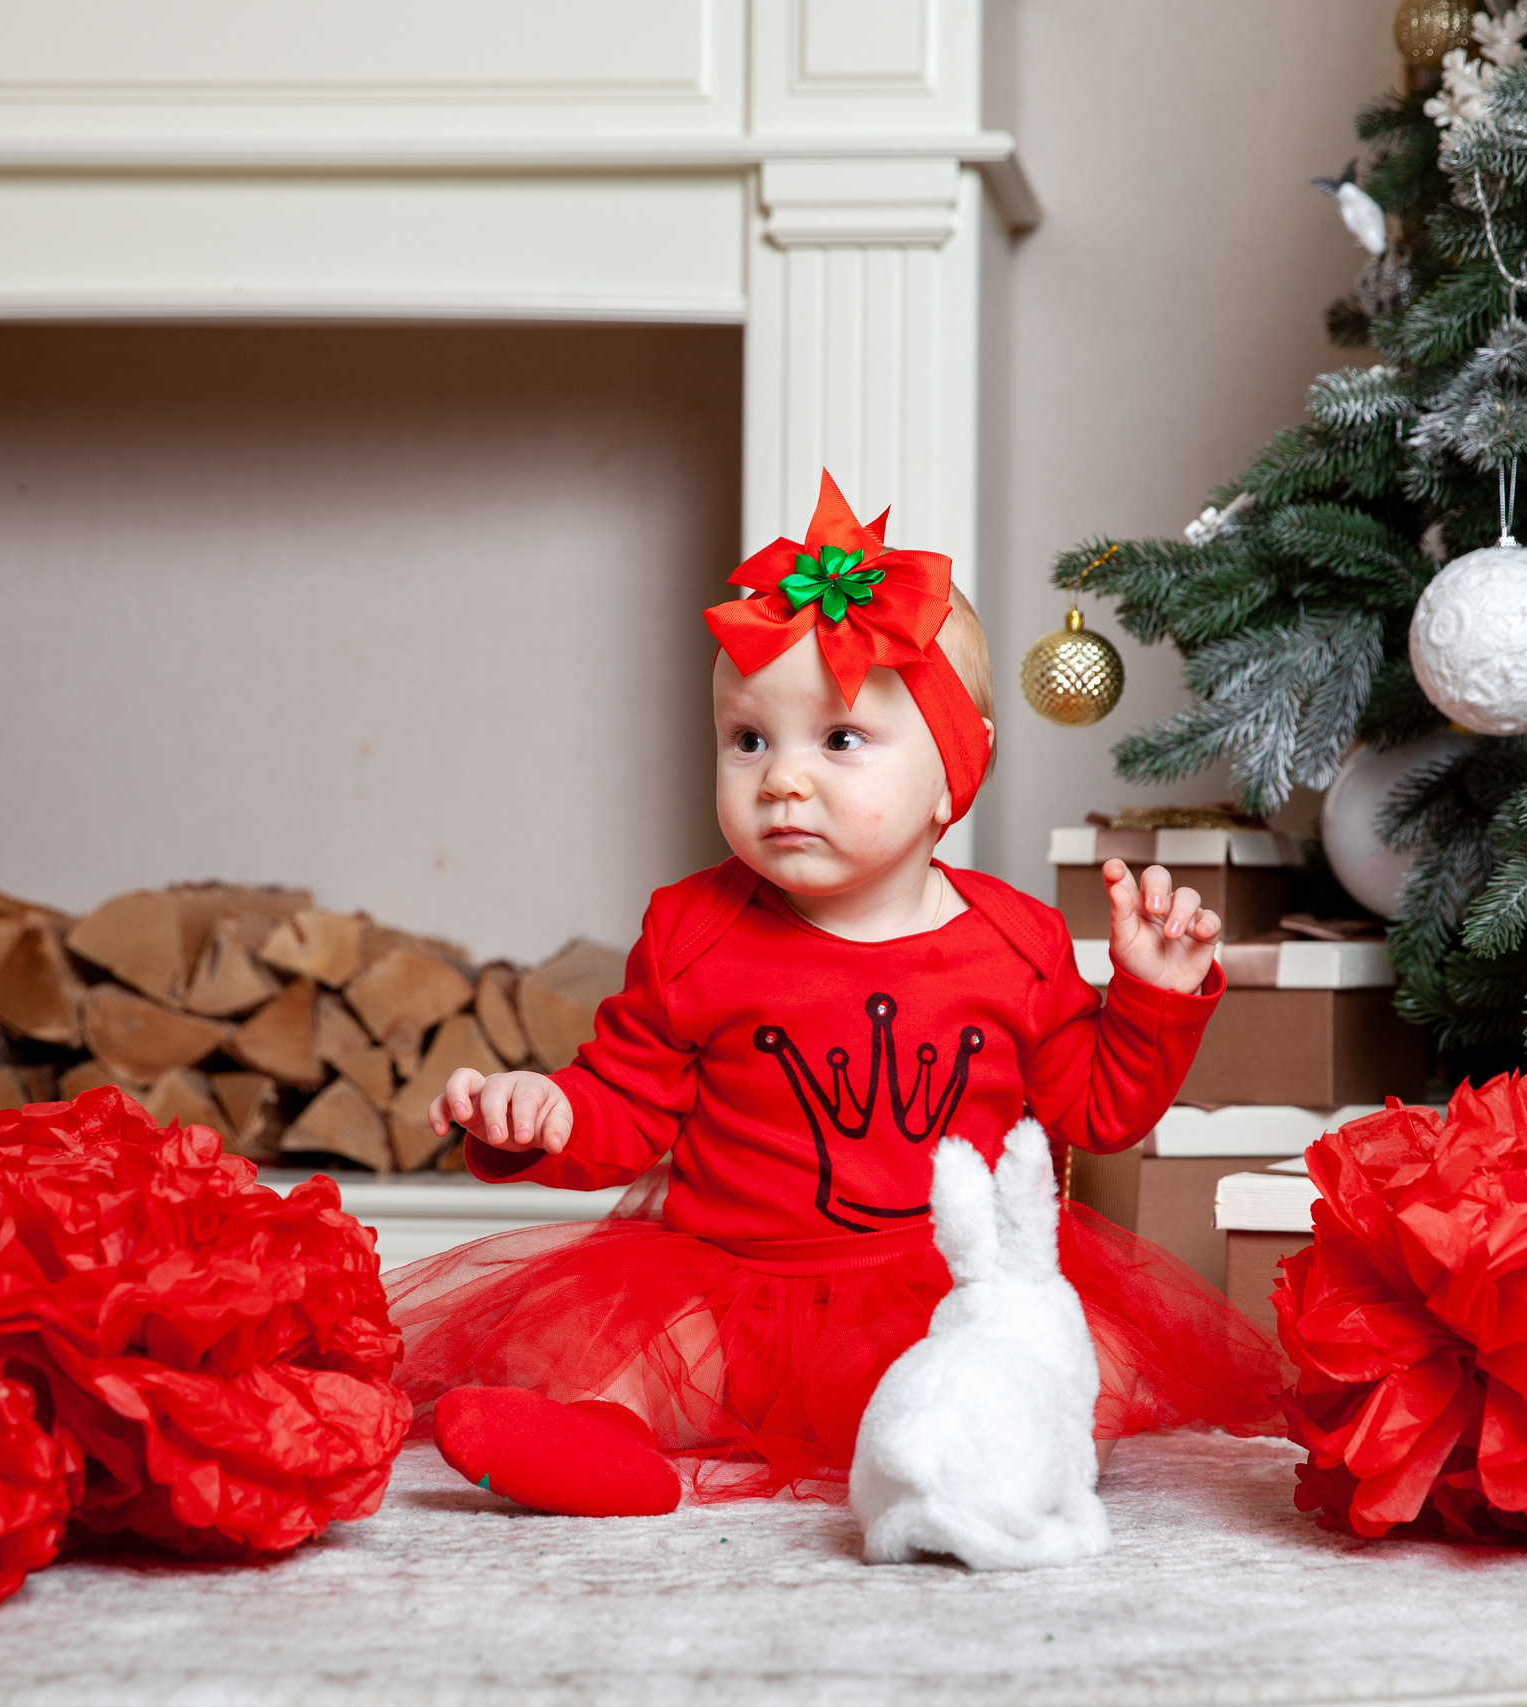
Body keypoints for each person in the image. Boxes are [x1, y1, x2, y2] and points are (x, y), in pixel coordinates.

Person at [387, 473, 1279, 1515]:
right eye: (748, 739)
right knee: (605, 1351)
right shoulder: (693, 931)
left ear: (952, 774)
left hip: (935, 1285)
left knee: (1075, 1365)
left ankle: (972, 1444)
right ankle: (605, 1440)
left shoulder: (1015, 943)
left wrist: (1151, 999)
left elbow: (1096, 1110)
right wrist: (545, 1113)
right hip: (721, 1281)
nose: (781, 779)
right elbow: (626, 1106)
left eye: (840, 739)